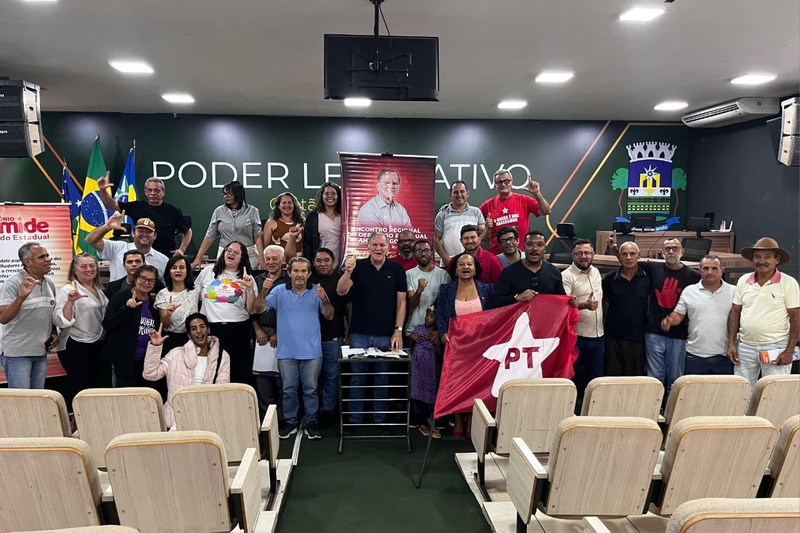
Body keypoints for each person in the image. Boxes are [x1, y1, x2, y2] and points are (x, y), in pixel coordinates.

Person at [609, 234, 701, 395]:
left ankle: (672, 408)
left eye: (675, 248)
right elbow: (630, 261)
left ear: (682, 251)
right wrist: (615, 249)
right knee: (655, 378)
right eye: (667, 249)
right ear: (662, 252)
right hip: (654, 333)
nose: (671, 251)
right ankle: (654, 406)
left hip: (679, 335)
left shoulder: (693, 276)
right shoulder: (654, 269)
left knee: (675, 378)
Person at [337, 232, 407, 425]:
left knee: (382, 378)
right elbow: (341, 291)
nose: (378, 248)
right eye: (374, 245)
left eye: (382, 245)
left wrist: (398, 330)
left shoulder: (397, 269)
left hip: (386, 334)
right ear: (368, 247)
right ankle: (355, 418)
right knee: (357, 378)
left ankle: (379, 419)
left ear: (388, 247)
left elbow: (401, 302)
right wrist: (348, 271)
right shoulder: (357, 267)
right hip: (359, 333)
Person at [267, 257, 333, 439]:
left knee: (311, 389)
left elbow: (329, 315)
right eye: (296, 270)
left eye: (304, 271)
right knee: (288, 389)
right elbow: (258, 308)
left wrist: (325, 300)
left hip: (312, 351)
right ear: (289, 272)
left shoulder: (317, 290)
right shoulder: (278, 291)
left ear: (309, 273)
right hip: (286, 352)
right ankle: (290, 421)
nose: (300, 274)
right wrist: (263, 290)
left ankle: (311, 421)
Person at [727, 238, 799, 387]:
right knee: (742, 390)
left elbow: (796, 317)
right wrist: (732, 344)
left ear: (776, 260)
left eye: (767, 257)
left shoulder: (788, 283)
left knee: (775, 391)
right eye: (758, 257)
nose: (762, 261)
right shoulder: (743, 281)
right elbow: (735, 312)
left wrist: (789, 350)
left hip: (776, 347)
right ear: (752, 259)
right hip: (745, 346)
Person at [436, 252, 494, 437]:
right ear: (455, 270)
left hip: (480, 346)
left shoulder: (488, 290)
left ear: (475, 269)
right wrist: (443, 332)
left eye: (469, 264)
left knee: (477, 384)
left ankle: (472, 418)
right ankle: (458, 418)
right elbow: (440, 315)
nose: (465, 267)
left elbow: (495, 315)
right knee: (455, 383)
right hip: (456, 346)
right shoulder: (446, 290)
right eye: (461, 264)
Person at [144, 313, 231, 428]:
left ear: (208, 330)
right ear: (189, 334)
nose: (199, 331)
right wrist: (155, 347)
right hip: (175, 420)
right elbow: (150, 374)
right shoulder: (175, 354)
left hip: (205, 420)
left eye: (202, 326)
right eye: (194, 328)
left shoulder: (222, 356)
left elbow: (222, 390)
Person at [194, 241, 257, 384]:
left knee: (239, 372)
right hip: (211, 329)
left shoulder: (247, 278)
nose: (231, 253)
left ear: (242, 257)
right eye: (229, 250)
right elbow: (194, 297)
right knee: (211, 372)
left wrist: (249, 289)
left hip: (238, 330)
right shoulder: (208, 272)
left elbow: (251, 309)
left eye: (236, 252)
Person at [661, 255, 735, 375]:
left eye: (714, 268)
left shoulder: (734, 292)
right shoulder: (689, 291)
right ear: (699, 270)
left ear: (722, 270)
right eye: (705, 268)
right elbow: (679, 314)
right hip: (695, 355)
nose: (709, 272)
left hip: (725, 355)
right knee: (693, 388)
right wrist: (669, 320)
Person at [52, 254, 109, 409]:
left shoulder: (98, 289)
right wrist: (70, 302)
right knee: (81, 387)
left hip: (98, 344)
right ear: (74, 270)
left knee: (96, 387)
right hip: (76, 345)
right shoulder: (68, 290)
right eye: (83, 266)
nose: (89, 269)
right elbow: (60, 320)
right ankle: (77, 418)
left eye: (92, 265)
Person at [0, 242, 57, 389]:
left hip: (40, 352)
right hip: (17, 353)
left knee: (37, 398)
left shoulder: (49, 284)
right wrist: (21, 297)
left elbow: (49, 313)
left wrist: (54, 332)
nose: (48, 259)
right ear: (27, 262)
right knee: (22, 399)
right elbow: (3, 318)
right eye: (41, 257)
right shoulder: (13, 283)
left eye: (47, 255)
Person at [96, 173, 192, 257]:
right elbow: (111, 204)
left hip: (166, 257)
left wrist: (181, 250)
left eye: (156, 190)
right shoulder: (137, 207)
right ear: (145, 192)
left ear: (163, 192)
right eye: (149, 190)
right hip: (140, 257)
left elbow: (188, 232)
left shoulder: (173, 211)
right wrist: (103, 191)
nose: (152, 193)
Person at [101, 265, 161, 388]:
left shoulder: (153, 302)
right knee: (126, 395)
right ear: (136, 278)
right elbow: (108, 323)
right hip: (124, 360)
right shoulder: (121, 296)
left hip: (146, 361)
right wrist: (126, 308)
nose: (146, 283)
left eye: (151, 280)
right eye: (143, 278)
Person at [310, 248, 349, 424]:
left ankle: (328, 410)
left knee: (331, 377)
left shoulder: (341, 279)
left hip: (333, 336)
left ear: (333, 262)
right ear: (313, 263)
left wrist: (350, 331)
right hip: (309, 338)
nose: (322, 264)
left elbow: (349, 307)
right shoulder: (308, 278)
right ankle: (313, 410)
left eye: (326, 260)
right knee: (311, 378)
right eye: (318, 261)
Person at [561, 240, 604, 396]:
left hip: (598, 335)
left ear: (593, 255)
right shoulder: (566, 276)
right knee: (575, 379)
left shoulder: (596, 272)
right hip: (577, 337)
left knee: (596, 379)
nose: (583, 256)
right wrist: (584, 305)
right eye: (579, 253)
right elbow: (564, 305)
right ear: (573, 255)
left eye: (587, 253)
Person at [192, 180, 265, 270]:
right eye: (224, 194)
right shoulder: (219, 211)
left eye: (229, 194)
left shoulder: (252, 211)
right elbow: (210, 236)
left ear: (238, 193)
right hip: (225, 254)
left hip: (247, 255)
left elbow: (257, 235)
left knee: (245, 277)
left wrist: (261, 256)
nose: (226, 196)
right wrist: (198, 257)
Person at [602, 241, 650, 376]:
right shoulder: (610, 279)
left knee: (634, 378)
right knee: (612, 376)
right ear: (619, 256)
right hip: (613, 336)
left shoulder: (647, 278)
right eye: (624, 254)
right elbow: (603, 301)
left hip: (637, 336)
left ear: (639, 255)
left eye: (632, 254)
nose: (628, 257)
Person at [252, 245, 288, 420]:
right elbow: (250, 309)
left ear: (283, 261)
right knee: (262, 380)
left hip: (285, 333)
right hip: (261, 333)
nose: (271, 262)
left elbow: (292, 310)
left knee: (284, 381)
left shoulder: (290, 280)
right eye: (268, 259)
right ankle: (266, 418)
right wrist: (258, 329)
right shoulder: (256, 280)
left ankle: (283, 419)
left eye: (275, 258)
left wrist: (280, 333)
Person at [480, 169, 552, 254]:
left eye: (506, 181)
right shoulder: (486, 206)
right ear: (495, 185)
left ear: (512, 183)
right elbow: (480, 235)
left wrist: (537, 194)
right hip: (498, 255)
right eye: (499, 182)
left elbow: (546, 211)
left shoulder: (524, 200)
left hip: (522, 254)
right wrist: (487, 228)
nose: (503, 184)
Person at [494, 230, 566, 308]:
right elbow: (497, 301)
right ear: (524, 247)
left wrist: (571, 302)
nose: (535, 248)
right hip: (518, 315)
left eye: (539, 245)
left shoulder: (554, 272)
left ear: (545, 248)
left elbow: (561, 301)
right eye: (530, 244)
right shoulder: (508, 272)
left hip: (546, 314)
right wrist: (516, 297)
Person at [86, 214, 169, 281]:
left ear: (155, 236)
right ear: (133, 233)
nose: (144, 234)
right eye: (140, 231)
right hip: (117, 295)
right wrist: (107, 227)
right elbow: (90, 240)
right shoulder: (118, 248)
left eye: (148, 232)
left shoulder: (163, 260)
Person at [433, 181, 486, 266]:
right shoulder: (442, 214)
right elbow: (436, 239)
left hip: (472, 263)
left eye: (462, 191)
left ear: (467, 193)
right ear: (450, 194)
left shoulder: (476, 212)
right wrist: (445, 259)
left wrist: (488, 228)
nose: (459, 195)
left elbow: (483, 235)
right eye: (455, 192)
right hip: (449, 262)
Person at [154, 255, 199, 355]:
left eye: (182, 267)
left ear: (187, 271)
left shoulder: (196, 290)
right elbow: (164, 325)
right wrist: (168, 314)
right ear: (169, 272)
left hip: (193, 337)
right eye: (174, 268)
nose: (178, 270)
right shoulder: (163, 294)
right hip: (171, 339)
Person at [405, 239, 450, 338]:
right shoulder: (408, 274)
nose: (423, 254)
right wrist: (419, 290)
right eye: (419, 251)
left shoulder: (443, 275)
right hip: (414, 331)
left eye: (426, 250)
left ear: (432, 253)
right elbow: (412, 304)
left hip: (436, 331)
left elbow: (447, 305)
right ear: (414, 254)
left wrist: (440, 330)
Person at [410, 306, 441, 439]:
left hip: (430, 369)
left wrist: (436, 343)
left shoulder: (437, 333)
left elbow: (441, 354)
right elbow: (410, 345)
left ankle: (429, 419)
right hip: (417, 367)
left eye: (431, 317)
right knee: (417, 393)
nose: (428, 318)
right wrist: (412, 337)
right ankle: (422, 422)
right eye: (427, 316)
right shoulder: (418, 329)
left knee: (430, 394)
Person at [303, 182, 342, 267]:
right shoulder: (314, 217)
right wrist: (309, 265)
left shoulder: (345, 215)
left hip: (343, 259)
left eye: (333, 194)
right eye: (326, 193)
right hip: (322, 261)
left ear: (338, 196)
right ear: (322, 196)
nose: (330, 196)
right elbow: (308, 243)